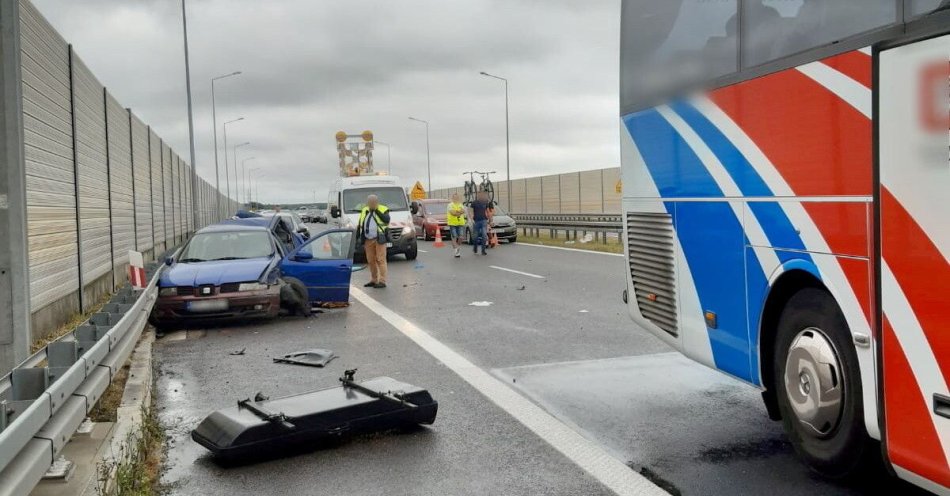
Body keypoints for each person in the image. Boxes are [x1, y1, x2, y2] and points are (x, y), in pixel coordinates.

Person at [356, 194, 390, 288]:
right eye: (370, 202)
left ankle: (382, 281)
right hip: (368, 239)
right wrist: (356, 238)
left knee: (380, 259)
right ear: (367, 202)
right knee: (371, 260)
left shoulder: (383, 209)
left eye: (373, 202)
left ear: (376, 202)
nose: (371, 204)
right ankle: (374, 279)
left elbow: (386, 220)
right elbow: (360, 224)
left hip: (379, 238)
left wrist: (376, 210)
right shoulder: (364, 210)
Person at [468, 191, 493, 256]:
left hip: (484, 221)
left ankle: (483, 250)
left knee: (484, 235)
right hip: (476, 221)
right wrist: (471, 217)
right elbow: (470, 211)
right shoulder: (474, 203)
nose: (481, 196)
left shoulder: (485, 202)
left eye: (482, 195)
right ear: (477, 196)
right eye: (480, 195)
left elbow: (488, 212)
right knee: (475, 237)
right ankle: (475, 248)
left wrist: (490, 221)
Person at [446, 193, 467, 258]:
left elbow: (463, 211)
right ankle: (456, 250)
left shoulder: (461, 205)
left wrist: (457, 212)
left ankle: (457, 247)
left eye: (457, 197)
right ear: (452, 198)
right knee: (454, 237)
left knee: (461, 237)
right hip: (452, 224)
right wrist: (459, 212)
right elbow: (453, 213)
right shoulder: (450, 205)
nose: (456, 199)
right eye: (454, 197)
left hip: (460, 223)